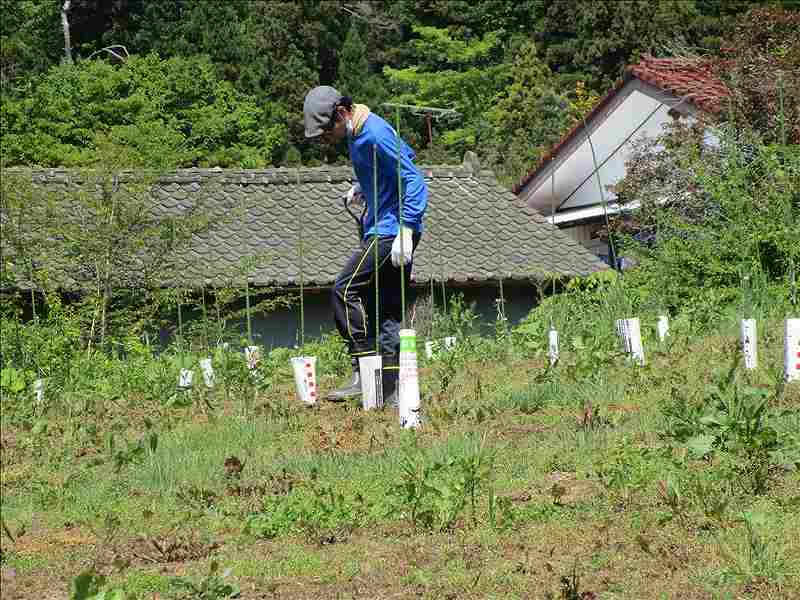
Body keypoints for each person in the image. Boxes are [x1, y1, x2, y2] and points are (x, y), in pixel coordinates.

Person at [303, 86, 428, 405]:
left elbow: (412, 176)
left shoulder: (374, 133)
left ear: (341, 114)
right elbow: (400, 158)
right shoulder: (357, 135)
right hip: (383, 225)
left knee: (344, 290)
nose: (324, 140)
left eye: (325, 131)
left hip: (391, 231)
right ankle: (389, 394)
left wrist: (407, 227)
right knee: (385, 311)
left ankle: (362, 369)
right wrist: (363, 186)